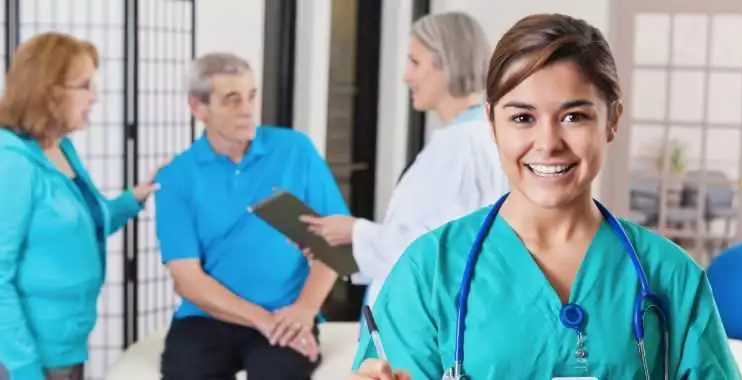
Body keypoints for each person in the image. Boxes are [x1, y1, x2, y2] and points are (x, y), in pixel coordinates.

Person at [349, 13, 742, 380]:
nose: (548, 143)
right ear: (492, 123)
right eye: (522, 118)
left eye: (574, 116)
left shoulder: (670, 275)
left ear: (612, 120)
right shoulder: (430, 271)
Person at [155, 52, 350, 380]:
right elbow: (187, 279)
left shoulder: (295, 150)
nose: (246, 110)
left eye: (250, 96)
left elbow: (335, 244)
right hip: (207, 319)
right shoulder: (176, 177)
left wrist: (304, 310)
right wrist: (263, 321)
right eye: (232, 100)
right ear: (198, 107)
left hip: (287, 312)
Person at [301, 12, 509, 308]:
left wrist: (355, 231)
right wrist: (346, 246)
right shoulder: (478, 136)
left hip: (428, 324)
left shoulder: (459, 147)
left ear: (445, 63)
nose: (406, 76)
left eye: (415, 62)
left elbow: (434, 252)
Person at [0, 32, 159, 380]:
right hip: (27, 356)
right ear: (50, 92)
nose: (95, 97)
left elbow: (86, 223)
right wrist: (24, 370)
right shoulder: (11, 163)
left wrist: (134, 199)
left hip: (67, 344)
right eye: (85, 85)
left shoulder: (60, 148)